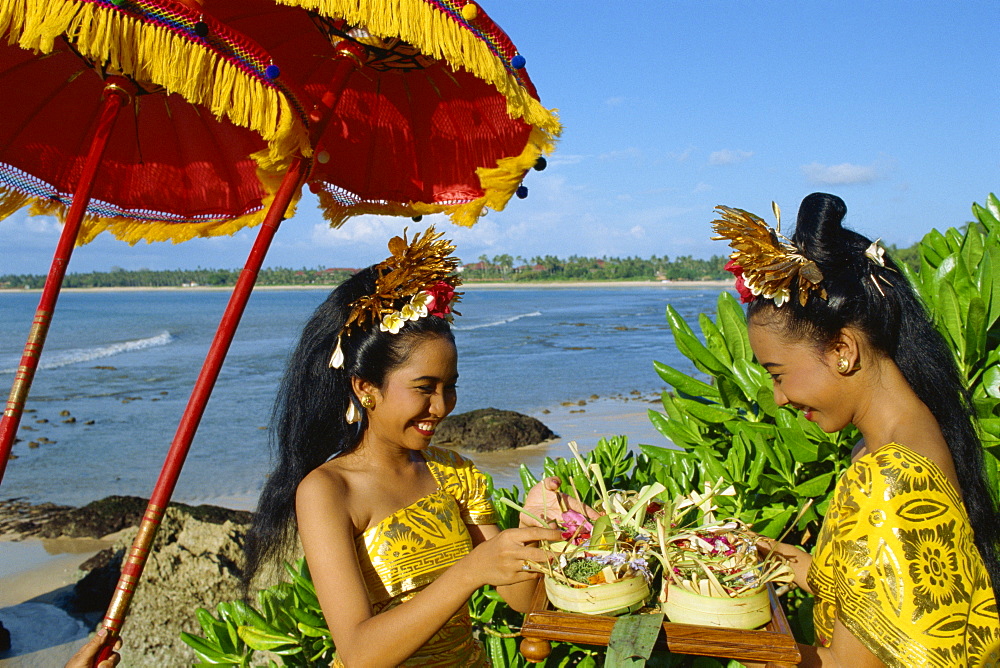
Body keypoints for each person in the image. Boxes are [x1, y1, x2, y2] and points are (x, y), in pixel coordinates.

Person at [241, 227, 563, 667]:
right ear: (366, 388)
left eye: (450, 387)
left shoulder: (454, 474)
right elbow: (358, 653)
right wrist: (470, 571)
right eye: (423, 388)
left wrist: (536, 521)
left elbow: (524, 601)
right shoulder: (329, 491)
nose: (441, 406)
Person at [713, 193, 1000, 666]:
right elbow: (883, 586)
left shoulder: (887, 478)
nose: (779, 398)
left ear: (843, 349)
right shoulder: (904, 438)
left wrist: (717, 637)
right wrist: (786, 562)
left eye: (778, 373)